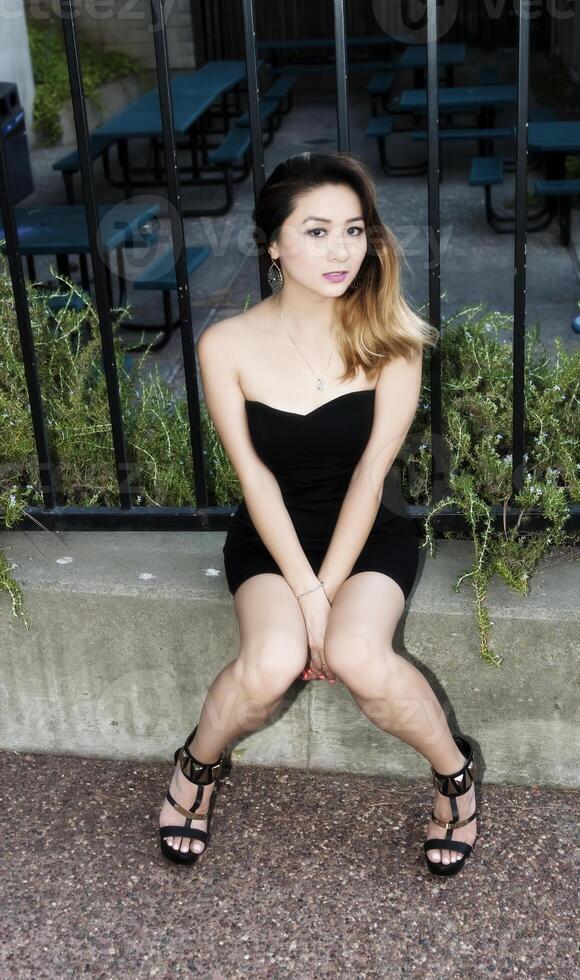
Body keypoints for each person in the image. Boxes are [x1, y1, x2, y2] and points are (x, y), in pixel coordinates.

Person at [158, 151, 479, 877]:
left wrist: (327, 599)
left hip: (370, 532)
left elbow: (372, 475)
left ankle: (456, 782)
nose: (340, 251)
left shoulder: (391, 337)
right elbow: (255, 479)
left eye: (354, 231)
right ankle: (195, 769)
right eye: (316, 231)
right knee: (271, 662)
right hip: (271, 536)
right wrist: (303, 596)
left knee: (357, 653)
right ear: (273, 243)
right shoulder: (225, 344)